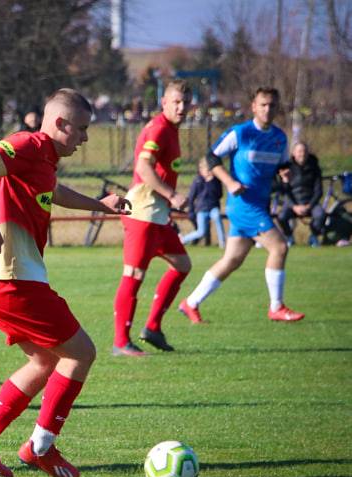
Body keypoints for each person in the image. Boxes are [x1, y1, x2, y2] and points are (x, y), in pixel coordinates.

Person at [0, 88, 130, 477]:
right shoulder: (32, 143)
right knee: (80, 353)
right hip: (10, 277)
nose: (85, 138)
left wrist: (99, 205)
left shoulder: (44, 159)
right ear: (60, 124)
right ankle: (40, 447)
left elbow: (51, 191)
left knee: (45, 360)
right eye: (82, 129)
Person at [179, 87, 304, 324]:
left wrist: (284, 173)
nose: (268, 109)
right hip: (244, 205)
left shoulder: (279, 138)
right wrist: (229, 181)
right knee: (279, 248)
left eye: (272, 106)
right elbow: (211, 157)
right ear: (254, 107)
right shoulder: (241, 133)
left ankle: (191, 303)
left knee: (232, 260)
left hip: (260, 203)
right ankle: (276, 307)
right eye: (263, 105)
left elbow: (281, 165)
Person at [112, 80, 193, 356]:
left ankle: (153, 328)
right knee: (134, 274)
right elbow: (144, 167)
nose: (182, 107)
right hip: (142, 213)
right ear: (164, 103)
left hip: (157, 214)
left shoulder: (171, 129)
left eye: (186, 102)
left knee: (182, 264)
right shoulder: (159, 128)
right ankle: (121, 342)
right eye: (176, 102)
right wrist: (172, 195)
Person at [276, 141, 324, 247]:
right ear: (293, 153)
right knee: (281, 216)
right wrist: (294, 206)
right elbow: (284, 192)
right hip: (292, 203)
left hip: (310, 203)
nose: (302, 154)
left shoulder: (314, 168)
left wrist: (309, 205)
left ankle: (314, 237)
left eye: (304, 151)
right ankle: (289, 236)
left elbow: (319, 191)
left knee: (320, 214)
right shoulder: (286, 168)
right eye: (299, 151)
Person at [181, 157, 225, 249]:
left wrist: (212, 182)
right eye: (207, 169)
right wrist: (191, 211)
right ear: (201, 169)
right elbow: (191, 196)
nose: (209, 172)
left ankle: (222, 243)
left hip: (213, 207)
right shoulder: (197, 181)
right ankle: (182, 240)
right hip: (201, 209)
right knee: (201, 232)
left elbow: (219, 194)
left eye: (210, 169)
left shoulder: (216, 181)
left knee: (217, 216)